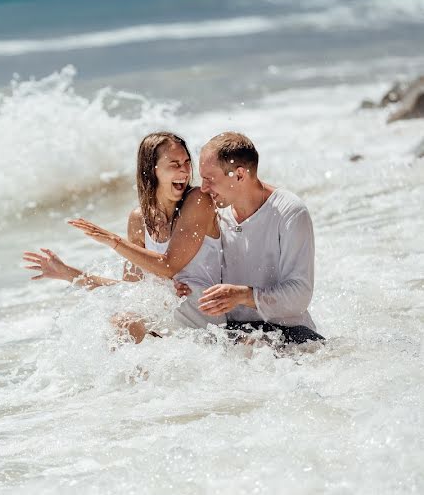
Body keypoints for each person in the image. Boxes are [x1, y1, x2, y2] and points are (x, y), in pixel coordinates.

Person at [23, 132, 224, 342]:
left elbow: (168, 266)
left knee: (125, 323)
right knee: (122, 317)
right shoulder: (139, 219)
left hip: (205, 317)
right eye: (174, 164)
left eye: (186, 162)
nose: (184, 170)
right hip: (169, 317)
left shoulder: (198, 200)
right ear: (152, 169)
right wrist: (68, 273)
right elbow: (130, 291)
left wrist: (114, 241)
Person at [179, 131, 324, 345]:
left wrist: (244, 296)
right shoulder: (214, 215)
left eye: (210, 179)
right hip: (233, 332)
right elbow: (203, 270)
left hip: (290, 332)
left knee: (249, 346)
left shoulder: (290, 212)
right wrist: (182, 283)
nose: (203, 188)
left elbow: (300, 296)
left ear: (239, 175)